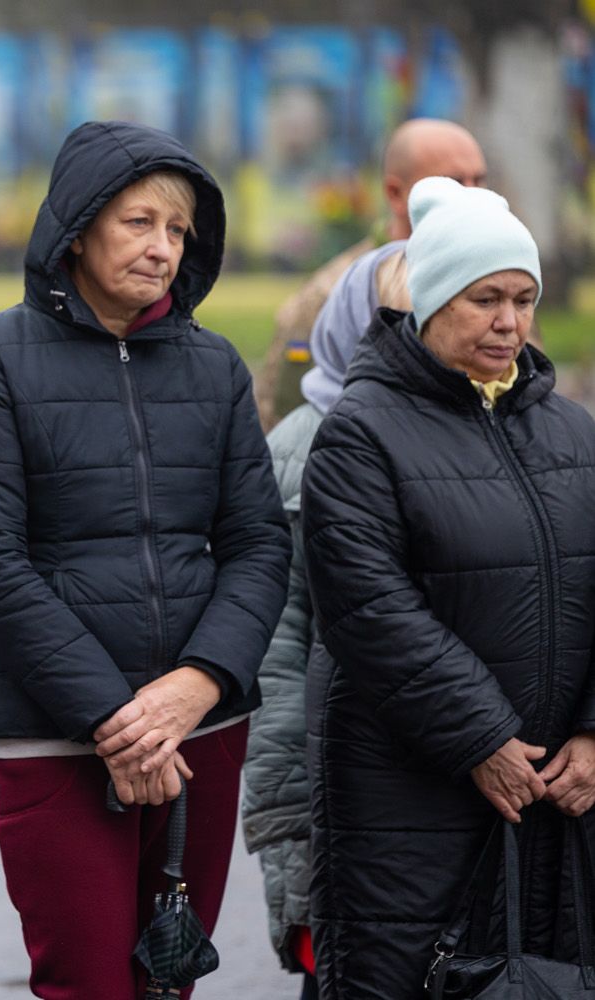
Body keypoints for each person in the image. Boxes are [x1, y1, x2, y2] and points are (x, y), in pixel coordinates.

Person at [0, 121, 290, 999]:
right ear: (78, 227)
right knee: (89, 983)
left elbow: (256, 543)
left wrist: (197, 684)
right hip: (53, 735)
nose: (162, 248)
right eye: (138, 223)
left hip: (199, 730)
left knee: (170, 982)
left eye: (178, 231)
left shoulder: (215, 367)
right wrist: (115, 717)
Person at [302, 177, 595, 999]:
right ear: (430, 303)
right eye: (485, 299)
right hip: (408, 793)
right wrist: (480, 738)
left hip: (556, 790)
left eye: (525, 298)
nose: (509, 322)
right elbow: (368, 607)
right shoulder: (361, 432)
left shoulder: (572, 428)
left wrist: (594, 734)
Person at [254, 118, 487, 429]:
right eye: (453, 183)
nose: (472, 197)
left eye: (479, 181)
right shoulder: (332, 295)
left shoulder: (497, 281)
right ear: (395, 193)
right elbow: (284, 420)